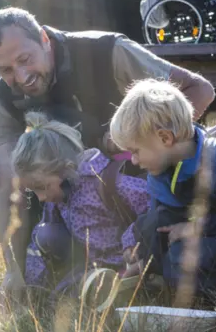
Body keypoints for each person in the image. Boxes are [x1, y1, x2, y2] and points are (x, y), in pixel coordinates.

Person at [0, 7, 216, 302]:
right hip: (65, 193)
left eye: (25, 60)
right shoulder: (1, 103)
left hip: (132, 180)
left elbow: (199, 89)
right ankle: (52, 254)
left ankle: (142, 255)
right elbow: (11, 190)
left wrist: (140, 138)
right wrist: (12, 269)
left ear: (45, 40)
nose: (21, 77)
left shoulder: (107, 51)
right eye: (6, 70)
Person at [108, 79, 216, 301]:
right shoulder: (162, 173)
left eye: (135, 151)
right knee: (149, 224)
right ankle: (158, 276)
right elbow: (161, 223)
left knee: (181, 258)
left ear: (165, 138)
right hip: (207, 237)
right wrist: (144, 258)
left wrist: (195, 228)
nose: (133, 160)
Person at [11, 112, 149, 296]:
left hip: (128, 262)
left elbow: (153, 204)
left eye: (42, 187)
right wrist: (31, 284)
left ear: (66, 169)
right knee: (46, 236)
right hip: (90, 266)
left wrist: (131, 242)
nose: (41, 198)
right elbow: (40, 240)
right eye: (33, 191)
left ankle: (136, 285)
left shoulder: (104, 182)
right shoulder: (58, 199)